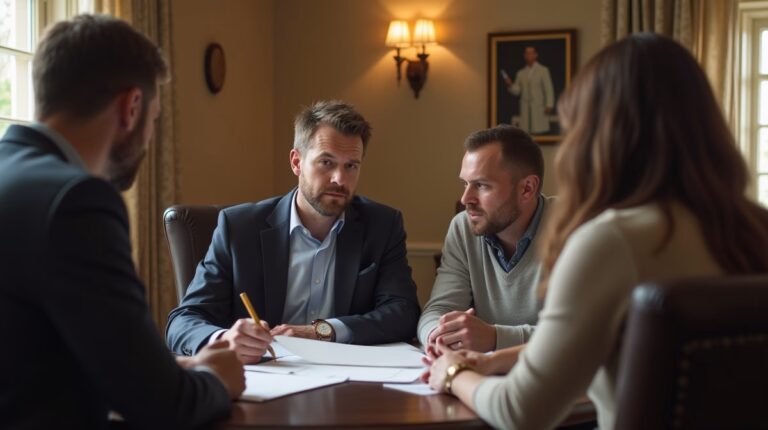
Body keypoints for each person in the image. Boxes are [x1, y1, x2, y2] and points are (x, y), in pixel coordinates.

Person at [423, 33, 768, 430]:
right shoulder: (756, 228)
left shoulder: (610, 241)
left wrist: (452, 373)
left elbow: (520, 412)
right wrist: (494, 359)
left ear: (604, 137)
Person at [0, 15, 245, 429]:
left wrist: (165, 368)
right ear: (131, 107)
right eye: (154, 119)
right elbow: (163, 406)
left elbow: (33, 352)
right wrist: (215, 378)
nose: (151, 135)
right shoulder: (77, 202)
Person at [166, 100, 421, 363]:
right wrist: (224, 340)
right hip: (265, 380)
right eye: (326, 162)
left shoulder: (382, 225)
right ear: (296, 162)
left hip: (348, 381)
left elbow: (403, 313)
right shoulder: (239, 228)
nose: (340, 179)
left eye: (351, 166)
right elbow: (182, 322)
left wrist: (323, 331)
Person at [417, 125, 554, 353]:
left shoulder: (573, 227)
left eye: (481, 185)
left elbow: (583, 333)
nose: (465, 199)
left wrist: (495, 337)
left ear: (527, 189)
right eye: (465, 183)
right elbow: (439, 309)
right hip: (482, 373)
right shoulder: (463, 227)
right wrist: (437, 336)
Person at [502, 46, 555, 134]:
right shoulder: (521, 73)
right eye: (526, 53)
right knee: (526, 132)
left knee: (539, 130)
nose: (528, 55)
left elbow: (548, 89)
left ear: (535, 55)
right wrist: (510, 84)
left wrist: (549, 104)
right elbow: (517, 91)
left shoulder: (543, 70)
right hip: (525, 107)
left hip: (539, 106)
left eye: (530, 53)